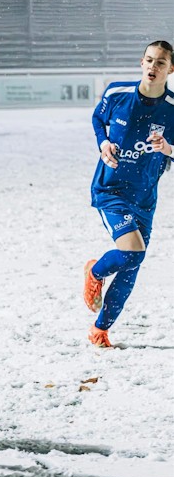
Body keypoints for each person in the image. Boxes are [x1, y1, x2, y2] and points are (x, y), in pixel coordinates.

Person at [83, 40, 174, 347]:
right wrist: (103, 143)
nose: (153, 66)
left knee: (133, 264)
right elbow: (98, 119)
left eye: (160, 62)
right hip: (111, 190)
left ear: (170, 69)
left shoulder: (172, 109)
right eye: (149, 60)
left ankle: (101, 329)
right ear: (141, 63)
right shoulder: (117, 93)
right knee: (133, 252)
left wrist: (169, 149)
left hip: (145, 198)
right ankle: (95, 272)